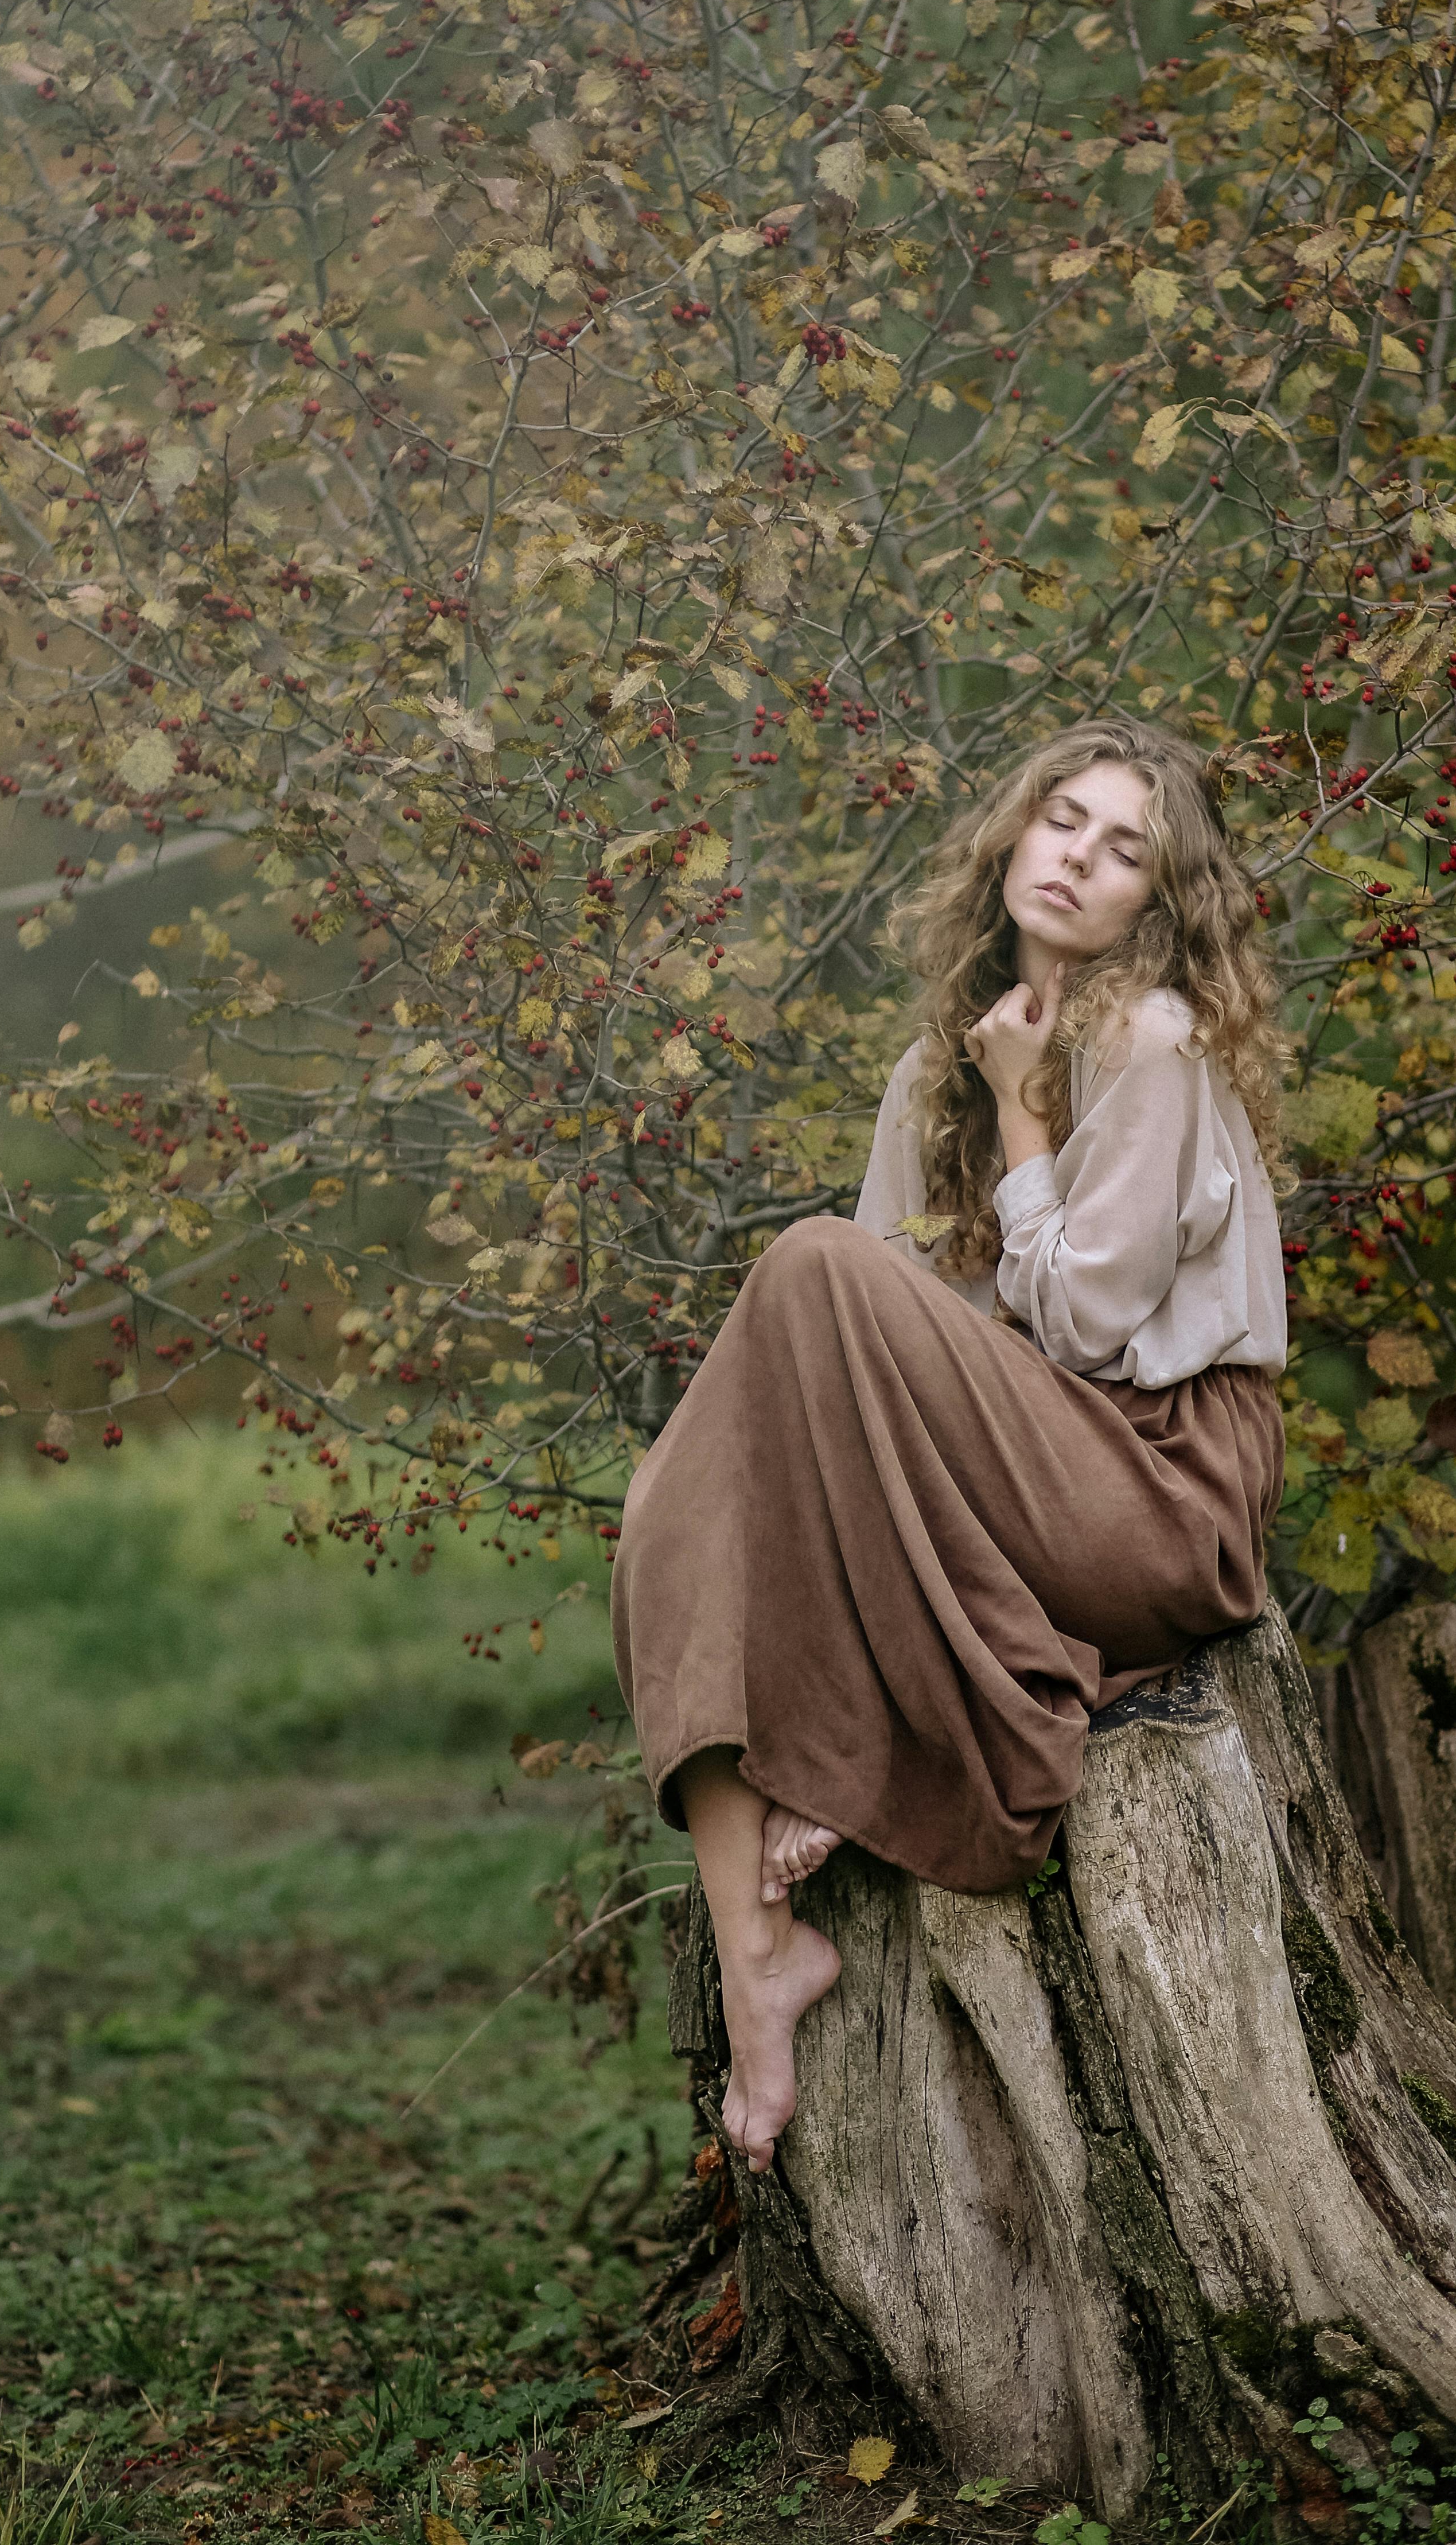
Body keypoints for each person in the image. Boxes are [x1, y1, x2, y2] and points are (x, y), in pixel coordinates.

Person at [610, 716, 1289, 2172]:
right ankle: (758, 1969)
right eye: (1062, 821)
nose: (1078, 861)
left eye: (1124, 852)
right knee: (685, 1496)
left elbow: (1091, 1336)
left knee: (804, 1272)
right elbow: (869, 1358)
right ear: (1011, 839)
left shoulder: (1152, 1045)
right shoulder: (940, 1063)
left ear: (1154, 909)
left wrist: (1023, 1123)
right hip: (1016, 1474)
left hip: (1158, 1489)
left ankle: (849, 1751)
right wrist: (977, 1093)